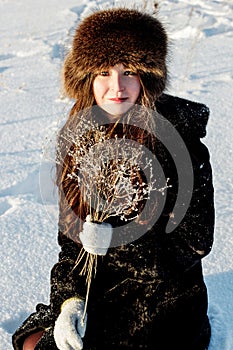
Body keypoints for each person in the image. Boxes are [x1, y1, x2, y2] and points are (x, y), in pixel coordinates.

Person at [12, 7, 215, 350]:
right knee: (34, 342)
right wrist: (69, 301)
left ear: (147, 79)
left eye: (129, 72)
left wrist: (120, 240)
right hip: (100, 288)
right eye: (104, 72)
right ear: (86, 78)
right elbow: (70, 242)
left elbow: (195, 241)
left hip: (163, 302)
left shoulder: (177, 139)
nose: (116, 87)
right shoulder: (79, 135)